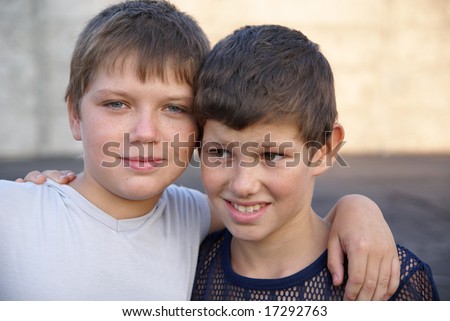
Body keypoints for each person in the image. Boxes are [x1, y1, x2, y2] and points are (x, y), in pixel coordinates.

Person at [3, 0, 398, 300]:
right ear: (75, 114)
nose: (145, 133)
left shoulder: (193, 214)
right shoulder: (13, 211)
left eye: (174, 108)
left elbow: (284, 210)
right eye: (116, 104)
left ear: (199, 127)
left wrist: (356, 208)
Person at [190, 24, 440, 300]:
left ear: (324, 149)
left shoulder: (389, 282)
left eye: (272, 155)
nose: (243, 185)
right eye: (219, 153)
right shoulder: (184, 268)